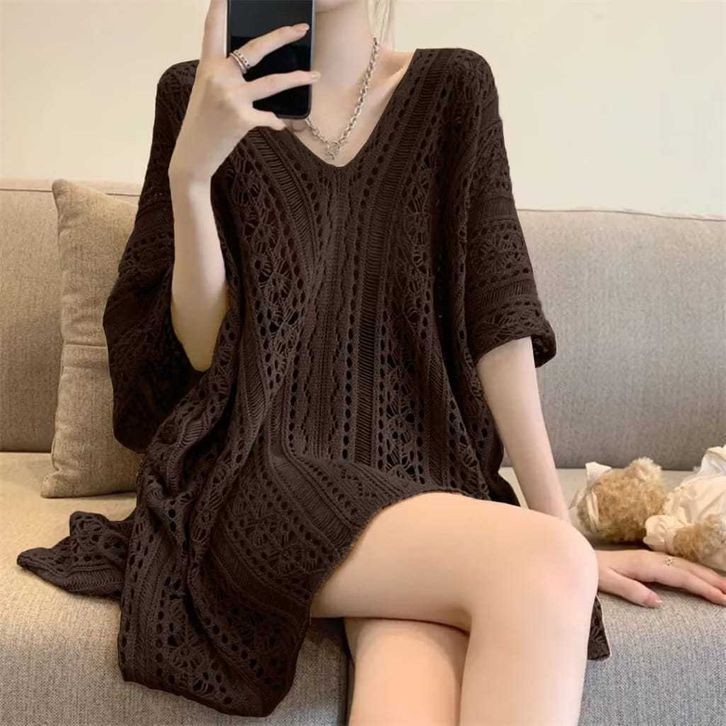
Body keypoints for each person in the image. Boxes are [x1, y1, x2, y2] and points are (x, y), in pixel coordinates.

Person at [17, 0, 726, 723]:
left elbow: (499, 322)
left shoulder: (456, 88)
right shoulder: (197, 94)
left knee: (414, 667)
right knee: (548, 566)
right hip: (261, 474)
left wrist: (556, 521)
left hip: (424, 477)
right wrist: (191, 174)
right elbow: (198, 351)